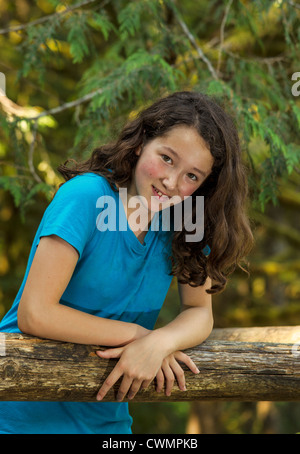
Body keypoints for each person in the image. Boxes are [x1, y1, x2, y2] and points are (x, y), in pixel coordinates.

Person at [0, 91, 253, 434]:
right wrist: (137, 335)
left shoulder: (188, 223)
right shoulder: (86, 197)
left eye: (192, 176)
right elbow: (36, 313)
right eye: (166, 158)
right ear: (140, 143)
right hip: (18, 412)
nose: (172, 181)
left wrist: (159, 343)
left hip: (106, 420)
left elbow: (199, 312)